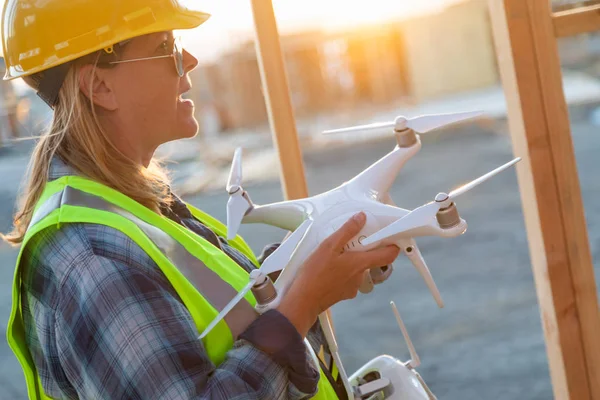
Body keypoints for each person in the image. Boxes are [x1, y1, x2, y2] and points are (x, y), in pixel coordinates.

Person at [1, 1, 400, 399]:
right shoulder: (92, 256)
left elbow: (222, 320)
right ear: (100, 86)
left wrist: (307, 264)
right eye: (166, 46)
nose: (189, 60)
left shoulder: (129, 205)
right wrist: (300, 306)